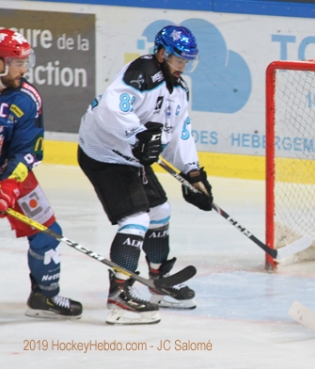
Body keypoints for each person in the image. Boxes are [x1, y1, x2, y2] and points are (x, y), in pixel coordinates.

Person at [77, 25, 213, 325]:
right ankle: (119, 294)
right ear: (162, 54)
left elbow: (179, 133)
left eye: (187, 62)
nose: (183, 67)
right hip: (104, 153)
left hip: (131, 157)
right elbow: (110, 110)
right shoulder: (141, 73)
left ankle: (158, 278)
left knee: (160, 210)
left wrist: (192, 172)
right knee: (137, 218)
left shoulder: (178, 90)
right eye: (178, 60)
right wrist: (138, 135)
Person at [0, 29, 82, 319]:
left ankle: (44, 296)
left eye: (27, 61)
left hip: (8, 174)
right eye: (19, 62)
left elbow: (29, 150)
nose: (25, 69)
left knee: (47, 233)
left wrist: (11, 185)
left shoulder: (27, 97)